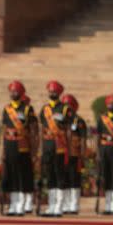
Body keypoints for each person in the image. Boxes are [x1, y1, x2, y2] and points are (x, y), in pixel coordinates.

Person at [0, 81, 36, 216]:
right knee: (11, 175)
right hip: (9, 145)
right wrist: (2, 150)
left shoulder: (27, 109)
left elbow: (33, 131)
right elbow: (4, 130)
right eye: (11, 91)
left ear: (20, 93)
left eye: (15, 91)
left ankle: (20, 205)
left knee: (21, 175)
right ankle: (13, 205)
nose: (13, 93)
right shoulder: (6, 109)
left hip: (22, 146)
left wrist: (34, 149)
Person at [39, 80, 72, 217]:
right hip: (48, 145)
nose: (52, 93)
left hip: (60, 146)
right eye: (50, 91)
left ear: (59, 93)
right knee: (50, 175)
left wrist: (69, 148)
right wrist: (41, 147)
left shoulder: (65, 109)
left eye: (54, 91)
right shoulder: (45, 109)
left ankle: (59, 206)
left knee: (59, 175)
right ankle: (51, 206)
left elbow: (69, 130)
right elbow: (42, 129)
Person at [61, 94, 86, 214]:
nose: (67, 108)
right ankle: (65, 204)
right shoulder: (60, 120)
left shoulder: (79, 121)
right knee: (64, 179)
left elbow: (83, 139)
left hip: (74, 154)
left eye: (69, 105)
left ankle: (74, 205)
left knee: (74, 179)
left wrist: (82, 154)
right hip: (62, 153)